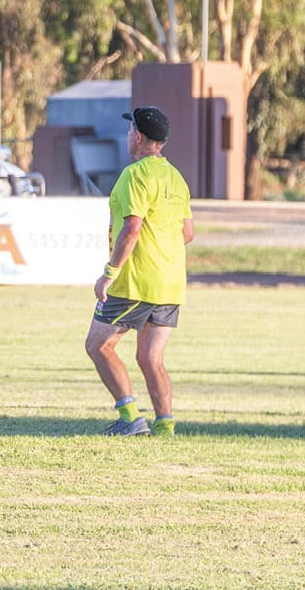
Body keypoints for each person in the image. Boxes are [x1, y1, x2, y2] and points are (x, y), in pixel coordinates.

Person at [86, 107, 193, 437]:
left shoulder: (134, 175)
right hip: (170, 283)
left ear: (140, 137)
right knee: (150, 357)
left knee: (98, 345)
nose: (128, 134)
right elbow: (187, 232)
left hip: (135, 281)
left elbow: (132, 228)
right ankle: (165, 426)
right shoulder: (176, 177)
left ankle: (130, 417)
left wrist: (110, 272)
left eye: (130, 128)